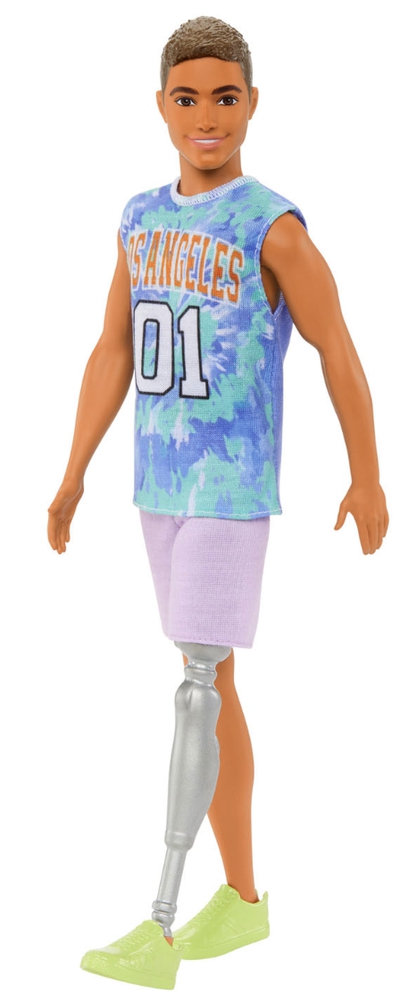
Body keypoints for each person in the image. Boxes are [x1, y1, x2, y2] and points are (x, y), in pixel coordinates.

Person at [47, 15, 389, 992]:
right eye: (188, 97)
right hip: (156, 483)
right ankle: (241, 900)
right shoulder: (138, 217)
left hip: (228, 485)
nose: (207, 116)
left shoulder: (271, 225)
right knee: (217, 689)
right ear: (161, 107)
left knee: (196, 688)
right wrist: (72, 471)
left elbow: (336, 347)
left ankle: (156, 926)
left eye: (225, 97)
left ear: (252, 104)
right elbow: (113, 346)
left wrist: (366, 472)